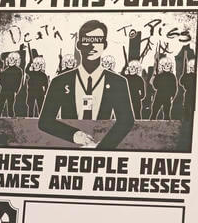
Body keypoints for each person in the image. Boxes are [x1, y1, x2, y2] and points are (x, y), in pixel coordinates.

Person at [39, 20, 134, 149]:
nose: (92, 46)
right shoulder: (59, 82)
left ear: (104, 45)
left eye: (97, 40)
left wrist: (102, 147)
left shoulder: (118, 82)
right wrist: (75, 135)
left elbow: (126, 121)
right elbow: (45, 121)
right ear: (79, 45)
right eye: (87, 40)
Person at [0, 51, 23, 118]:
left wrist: (16, 90)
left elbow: (19, 81)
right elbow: (1, 81)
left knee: (10, 105)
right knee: (0, 103)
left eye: (13, 59)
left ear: (16, 61)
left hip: (11, 90)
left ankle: (11, 116)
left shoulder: (19, 70)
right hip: (4, 89)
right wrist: (0, 72)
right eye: (10, 59)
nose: (11, 60)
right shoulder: (6, 70)